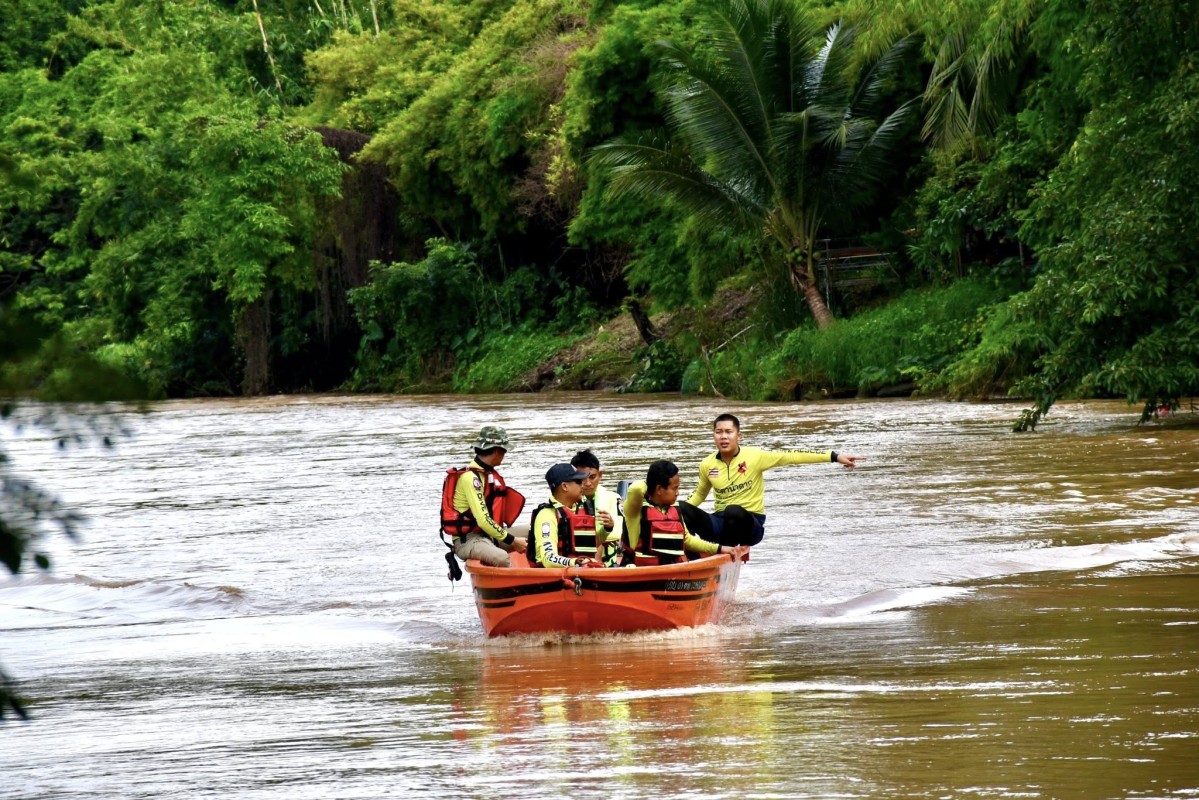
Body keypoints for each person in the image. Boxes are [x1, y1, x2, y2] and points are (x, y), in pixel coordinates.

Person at [682, 413, 861, 547]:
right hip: (721, 524)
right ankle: (691, 554)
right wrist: (667, 512)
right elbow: (699, 494)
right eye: (719, 432)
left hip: (750, 524)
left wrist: (834, 456)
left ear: (739, 436)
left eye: (729, 432)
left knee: (733, 511)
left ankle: (725, 551)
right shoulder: (707, 464)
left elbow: (791, 456)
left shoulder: (755, 456)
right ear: (713, 435)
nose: (723, 436)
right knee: (681, 508)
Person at [623, 460, 744, 565]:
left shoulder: (674, 508)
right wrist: (651, 486)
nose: (677, 493)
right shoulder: (635, 511)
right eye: (674, 488)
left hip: (672, 570)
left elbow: (688, 541)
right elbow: (636, 488)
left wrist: (719, 548)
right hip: (643, 569)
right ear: (659, 489)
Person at [440, 425, 528, 569]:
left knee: (535, 529)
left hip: (490, 535)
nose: (504, 455)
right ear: (497, 451)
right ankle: (515, 587)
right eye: (504, 451)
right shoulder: (471, 478)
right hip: (469, 539)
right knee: (502, 558)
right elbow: (483, 520)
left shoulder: (486, 475)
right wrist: (512, 540)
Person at [528, 463, 604, 568]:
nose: (583, 484)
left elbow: (590, 545)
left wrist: (607, 529)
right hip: (555, 579)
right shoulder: (547, 516)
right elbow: (548, 558)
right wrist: (575, 563)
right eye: (578, 481)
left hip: (583, 572)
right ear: (565, 486)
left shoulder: (580, 511)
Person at [570, 449, 625, 567]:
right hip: (575, 561)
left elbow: (616, 534)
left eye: (592, 477)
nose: (588, 483)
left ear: (600, 475)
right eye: (582, 479)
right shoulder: (568, 501)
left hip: (608, 563)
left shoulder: (613, 498)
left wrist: (607, 529)